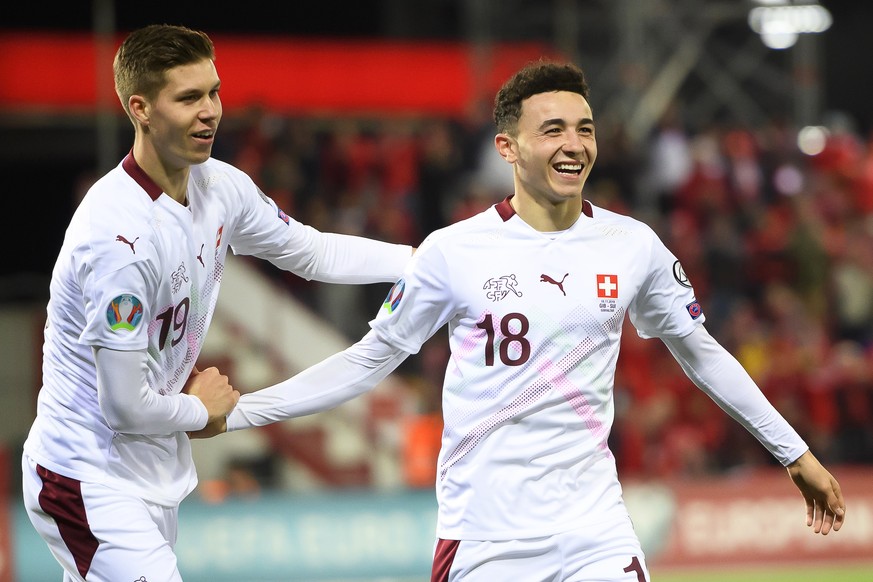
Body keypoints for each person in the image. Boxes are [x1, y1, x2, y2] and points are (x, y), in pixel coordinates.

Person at [205, 61, 846, 581]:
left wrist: (792, 452)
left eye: (585, 128)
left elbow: (701, 353)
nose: (574, 145)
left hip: (595, 532)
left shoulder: (634, 246)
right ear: (507, 147)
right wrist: (244, 411)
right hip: (487, 540)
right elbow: (369, 359)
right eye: (553, 130)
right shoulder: (453, 252)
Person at [21, 24, 413, 582]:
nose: (211, 112)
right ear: (141, 109)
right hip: (85, 477)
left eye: (214, 92)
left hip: (150, 469)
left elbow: (312, 253)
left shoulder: (219, 185)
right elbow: (124, 407)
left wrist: (423, 260)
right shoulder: (116, 242)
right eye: (188, 98)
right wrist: (201, 411)